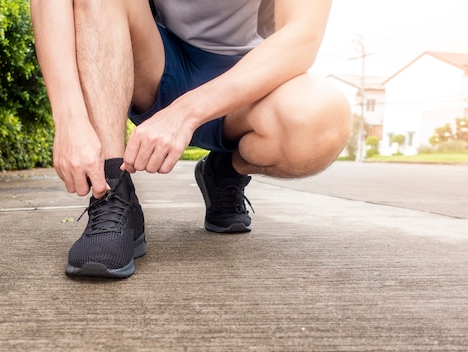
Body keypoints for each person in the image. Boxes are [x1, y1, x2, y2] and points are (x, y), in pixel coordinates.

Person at [30, 0, 352, 279]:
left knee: (324, 122)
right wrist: (70, 120)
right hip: (157, 61)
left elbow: (302, 36)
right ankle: (112, 194)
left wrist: (185, 113)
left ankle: (226, 170)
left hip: (249, 82)